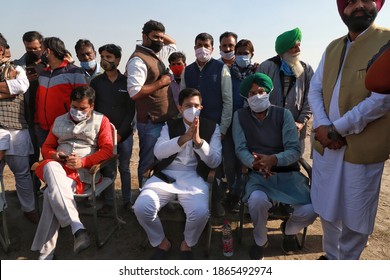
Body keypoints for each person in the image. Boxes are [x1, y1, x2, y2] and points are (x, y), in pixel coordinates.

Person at [308, 0, 390, 260]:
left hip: (362, 148)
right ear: (342, 9)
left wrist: (337, 130)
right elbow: (315, 89)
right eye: (351, 2)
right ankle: (332, 258)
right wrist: (323, 126)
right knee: (327, 209)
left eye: (366, 0)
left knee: (356, 214)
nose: (359, 6)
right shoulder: (333, 47)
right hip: (327, 145)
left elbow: (383, 98)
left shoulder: (387, 42)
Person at [232, 73, 317, 260]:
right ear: (247, 97)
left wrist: (274, 159)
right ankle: (260, 240)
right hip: (259, 175)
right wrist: (256, 164)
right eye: (252, 93)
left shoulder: (283, 114)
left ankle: (289, 229)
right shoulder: (240, 116)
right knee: (256, 201)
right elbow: (241, 148)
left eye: (261, 91)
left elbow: (294, 150)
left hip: (287, 174)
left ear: (269, 92)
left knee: (313, 208)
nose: (257, 95)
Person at [133, 88, 222, 260]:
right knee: (142, 207)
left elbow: (215, 161)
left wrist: (198, 142)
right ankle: (160, 241)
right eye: (188, 105)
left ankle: (187, 243)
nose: (193, 109)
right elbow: (159, 152)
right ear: (180, 108)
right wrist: (182, 139)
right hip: (166, 176)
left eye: (196, 105)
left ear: (201, 107)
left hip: (195, 177)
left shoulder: (212, 127)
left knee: (201, 212)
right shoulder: (170, 126)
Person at [31, 85, 113, 260]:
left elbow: (107, 150)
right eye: (74, 107)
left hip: (84, 174)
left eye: (82, 108)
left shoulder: (101, 121)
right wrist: (55, 154)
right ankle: (77, 228)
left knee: (49, 195)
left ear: (91, 105)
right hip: (58, 168)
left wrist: (83, 162)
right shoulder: (59, 120)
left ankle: (46, 254)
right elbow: (46, 147)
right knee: (52, 166)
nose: (77, 111)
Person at [180, 32, 233, 217]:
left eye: (206, 45)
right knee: (192, 162)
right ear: (194, 47)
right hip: (192, 125)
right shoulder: (188, 70)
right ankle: (191, 200)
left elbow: (228, 101)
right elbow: (182, 98)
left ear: (212, 48)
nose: (202, 48)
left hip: (215, 126)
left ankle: (216, 200)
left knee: (215, 164)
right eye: (198, 45)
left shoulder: (221, 68)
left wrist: (224, 128)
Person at [126, 19, 178, 187]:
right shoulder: (138, 60)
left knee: (163, 160)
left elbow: (173, 43)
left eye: (161, 38)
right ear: (144, 36)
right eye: (155, 37)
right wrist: (161, 83)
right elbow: (134, 92)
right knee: (148, 161)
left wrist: (160, 35)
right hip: (150, 122)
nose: (160, 41)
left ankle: (158, 195)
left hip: (163, 120)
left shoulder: (155, 54)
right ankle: (143, 196)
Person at [91, 44, 136, 212]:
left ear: (117, 60)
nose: (105, 60)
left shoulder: (127, 82)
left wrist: (121, 134)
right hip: (103, 135)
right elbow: (93, 109)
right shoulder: (96, 82)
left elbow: (131, 111)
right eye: (102, 57)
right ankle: (109, 202)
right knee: (108, 169)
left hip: (124, 135)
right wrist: (106, 134)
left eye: (109, 57)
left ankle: (126, 201)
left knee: (124, 167)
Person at [257, 27, 313, 155]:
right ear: (283, 50)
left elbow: (311, 97)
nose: (298, 50)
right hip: (269, 129)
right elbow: (257, 97)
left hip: (296, 129)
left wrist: (301, 121)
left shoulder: (306, 69)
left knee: (293, 165)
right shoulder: (266, 67)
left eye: (299, 46)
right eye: (294, 47)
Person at [0, 33, 38, 224]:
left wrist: (9, 87)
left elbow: (21, 86)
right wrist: (6, 89)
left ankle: (29, 209)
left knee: (22, 174)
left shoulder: (17, 70)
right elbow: (12, 88)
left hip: (16, 131)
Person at [224, 39, 259, 212]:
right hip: (230, 125)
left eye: (246, 53)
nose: (242, 56)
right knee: (230, 163)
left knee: (245, 163)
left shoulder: (257, 74)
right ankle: (233, 192)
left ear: (252, 54)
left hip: (250, 126)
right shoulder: (227, 73)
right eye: (239, 53)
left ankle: (243, 196)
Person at [35, 37, 88, 147]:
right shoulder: (44, 73)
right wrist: (37, 120)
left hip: (65, 127)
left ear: (48, 51)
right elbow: (38, 99)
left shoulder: (74, 72)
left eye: (42, 49)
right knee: (48, 161)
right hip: (43, 129)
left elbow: (84, 99)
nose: (40, 53)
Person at [13, 31, 46, 191]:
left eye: (35, 48)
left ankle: (51, 190)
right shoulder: (18, 66)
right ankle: (34, 191)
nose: (32, 52)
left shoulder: (51, 64)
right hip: (28, 120)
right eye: (28, 49)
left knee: (50, 158)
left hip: (48, 120)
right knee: (31, 158)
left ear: (43, 45)